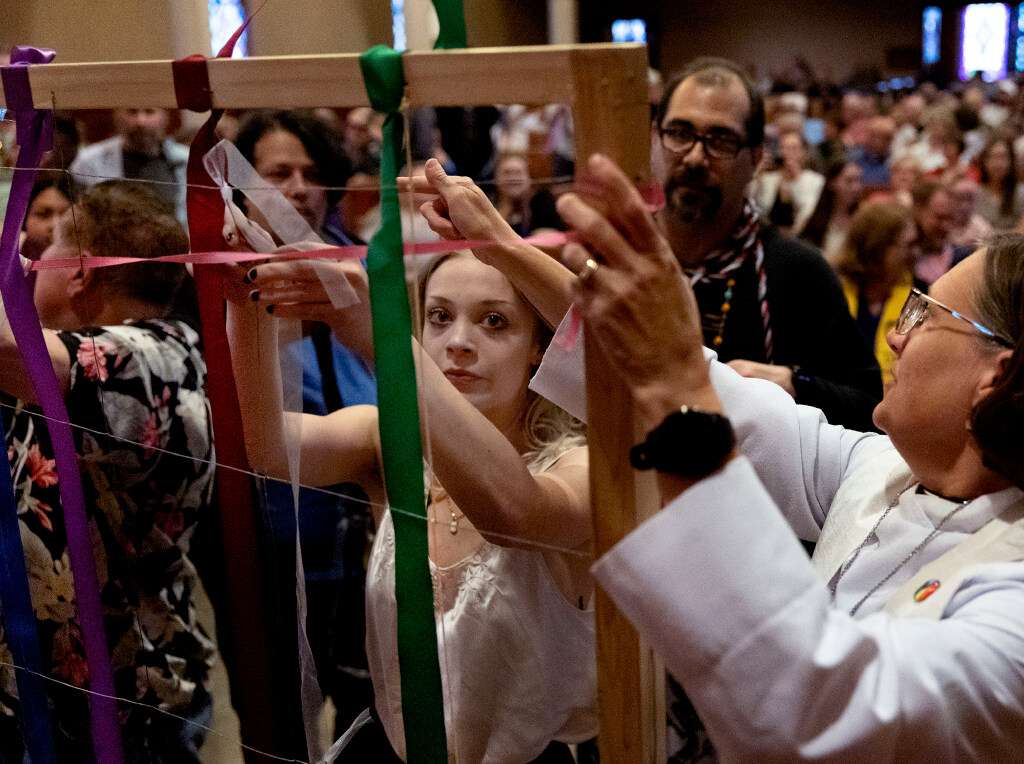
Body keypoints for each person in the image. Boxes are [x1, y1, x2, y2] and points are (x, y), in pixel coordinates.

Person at [556, 152, 1024, 761]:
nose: (896, 335)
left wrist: (675, 378)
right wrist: (506, 252)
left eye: (927, 315)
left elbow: (821, 718)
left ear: (996, 376)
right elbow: (748, 416)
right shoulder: (890, 469)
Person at [225, 251, 596, 763]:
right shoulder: (391, 442)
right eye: (439, 317)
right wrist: (247, 300)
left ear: (539, 347)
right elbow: (269, 448)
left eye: (494, 321)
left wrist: (387, 342)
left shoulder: (579, 468)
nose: (459, 342)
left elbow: (514, 513)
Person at [0, 181, 215, 762]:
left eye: (47, 247)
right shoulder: (70, 350)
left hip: (130, 708)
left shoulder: (158, 353)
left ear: (78, 274)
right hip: (45, 698)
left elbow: (8, 348)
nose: (31, 260)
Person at [232, 109, 376, 748]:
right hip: (264, 544)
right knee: (278, 726)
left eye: (313, 173)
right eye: (278, 173)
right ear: (240, 185)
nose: (299, 189)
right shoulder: (213, 283)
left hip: (364, 539)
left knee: (371, 721)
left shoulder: (361, 269)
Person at [830, 201, 919, 386]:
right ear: (877, 248)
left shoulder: (920, 298)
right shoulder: (831, 293)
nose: (916, 252)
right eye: (908, 245)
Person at [70, 108, 188, 221]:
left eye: (149, 111)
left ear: (165, 117)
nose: (141, 122)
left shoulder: (187, 159)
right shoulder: (88, 161)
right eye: (132, 111)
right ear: (116, 116)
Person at [753, 130, 825, 237]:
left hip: (800, 236)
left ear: (804, 152)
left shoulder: (815, 180)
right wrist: (756, 174)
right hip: (766, 234)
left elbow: (807, 213)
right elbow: (756, 207)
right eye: (783, 148)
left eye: (794, 148)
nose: (788, 153)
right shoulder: (768, 179)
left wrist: (796, 179)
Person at [800, 156, 864, 259]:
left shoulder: (863, 219)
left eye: (859, 181)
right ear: (832, 183)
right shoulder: (813, 218)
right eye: (849, 181)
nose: (856, 188)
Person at [490, 152, 566, 237]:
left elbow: (552, 235)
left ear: (528, 178)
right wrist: (505, 208)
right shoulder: (489, 203)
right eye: (507, 173)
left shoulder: (542, 201)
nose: (512, 178)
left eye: (518, 173)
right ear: (496, 178)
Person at [910, 178, 957, 286]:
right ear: (918, 210)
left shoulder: (960, 258)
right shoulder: (901, 262)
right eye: (939, 218)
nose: (946, 226)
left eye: (950, 218)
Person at [975, 137, 1024, 231]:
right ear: (984, 161)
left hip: (1014, 240)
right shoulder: (975, 192)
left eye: (1003, 157)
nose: (998, 163)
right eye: (993, 157)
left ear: (1011, 161)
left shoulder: (1021, 192)